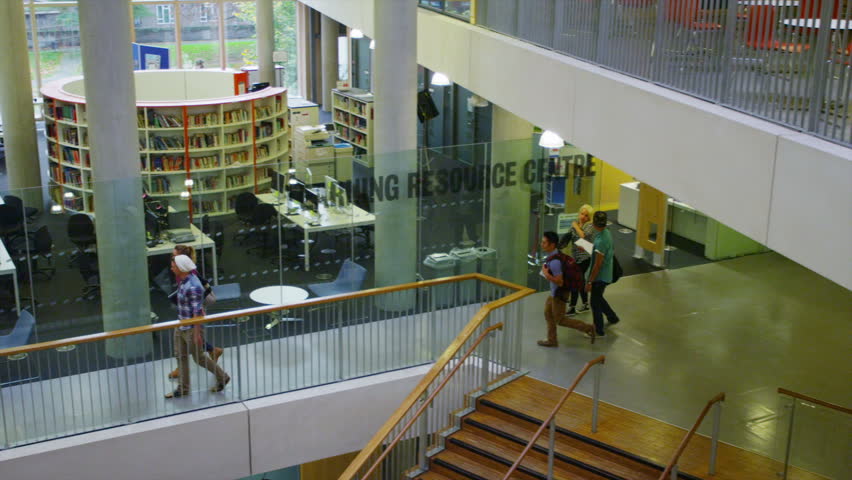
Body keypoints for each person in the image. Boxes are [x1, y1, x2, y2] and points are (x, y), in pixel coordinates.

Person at [165, 254, 230, 398]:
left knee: (199, 358)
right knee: (180, 356)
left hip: (190, 328)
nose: (171, 268)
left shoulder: (193, 286)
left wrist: (196, 334)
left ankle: (222, 377)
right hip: (181, 324)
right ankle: (183, 389)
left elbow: (197, 312)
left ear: (181, 268)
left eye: (173, 265)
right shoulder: (183, 280)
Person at [537, 232, 594, 347]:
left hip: (559, 294)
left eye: (544, 242)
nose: (541, 244)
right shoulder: (555, 255)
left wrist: (546, 274)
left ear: (552, 245)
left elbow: (560, 281)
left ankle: (588, 328)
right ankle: (552, 340)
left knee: (560, 320)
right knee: (548, 313)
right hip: (555, 292)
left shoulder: (555, 262)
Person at [585, 211, 620, 338]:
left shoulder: (600, 241)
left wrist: (589, 281)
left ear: (594, 223)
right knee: (598, 297)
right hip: (606, 274)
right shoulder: (607, 233)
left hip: (600, 277)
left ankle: (598, 330)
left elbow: (597, 265)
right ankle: (612, 317)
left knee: (594, 302)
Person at [559, 204, 598, 315]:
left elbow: (582, 235)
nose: (583, 217)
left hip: (584, 259)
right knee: (580, 282)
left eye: (586, 215)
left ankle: (572, 307)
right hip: (575, 257)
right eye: (582, 214)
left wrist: (575, 226)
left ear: (589, 218)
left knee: (575, 282)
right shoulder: (576, 224)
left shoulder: (589, 226)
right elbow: (569, 236)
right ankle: (585, 304)